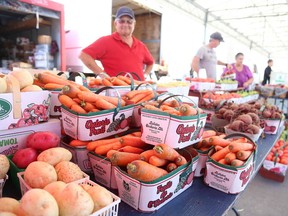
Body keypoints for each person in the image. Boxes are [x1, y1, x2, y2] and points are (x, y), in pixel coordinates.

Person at [79, 6, 154, 81]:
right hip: (117, 91)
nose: (125, 24)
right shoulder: (105, 41)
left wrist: (145, 74)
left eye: (129, 22)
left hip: (140, 89)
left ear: (134, 24)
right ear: (115, 24)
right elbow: (84, 55)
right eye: (121, 21)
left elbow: (150, 62)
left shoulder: (140, 45)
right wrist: (103, 75)